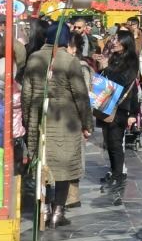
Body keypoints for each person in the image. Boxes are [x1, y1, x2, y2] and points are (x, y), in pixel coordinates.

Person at [23, 21, 93, 228]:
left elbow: (26, 94)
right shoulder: (69, 60)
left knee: (42, 165)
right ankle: (58, 212)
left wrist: (28, 120)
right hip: (65, 119)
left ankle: (42, 210)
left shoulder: (33, 58)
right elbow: (80, 95)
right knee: (63, 168)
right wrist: (87, 122)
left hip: (40, 117)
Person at [99, 31, 142, 201]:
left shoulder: (131, 59)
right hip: (107, 104)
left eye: (117, 39)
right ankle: (114, 170)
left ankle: (119, 174)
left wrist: (133, 113)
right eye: (114, 39)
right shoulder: (114, 57)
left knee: (116, 142)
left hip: (121, 107)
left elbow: (124, 80)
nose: (114, 42)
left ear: (125, 42)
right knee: (108, 141)